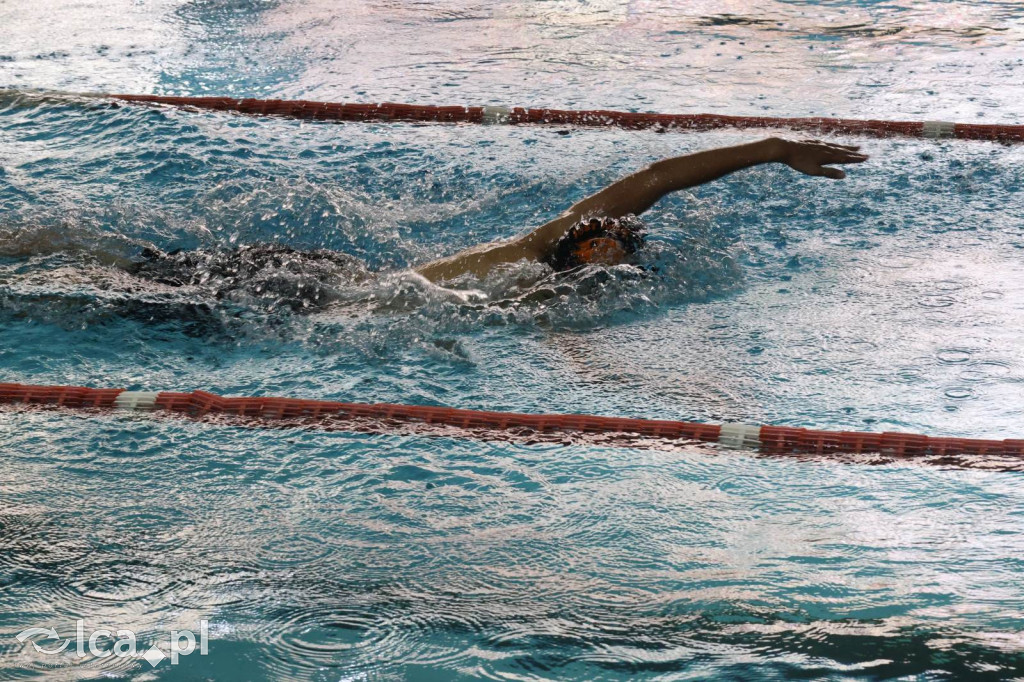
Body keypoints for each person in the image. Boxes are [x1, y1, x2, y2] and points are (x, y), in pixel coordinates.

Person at [413, 137, 868, 283]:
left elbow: (658, 178)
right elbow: (568, 352)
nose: (611, 258)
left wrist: (776, 149)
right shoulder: (534, 275)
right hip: (360, 299)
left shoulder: (557, 239)